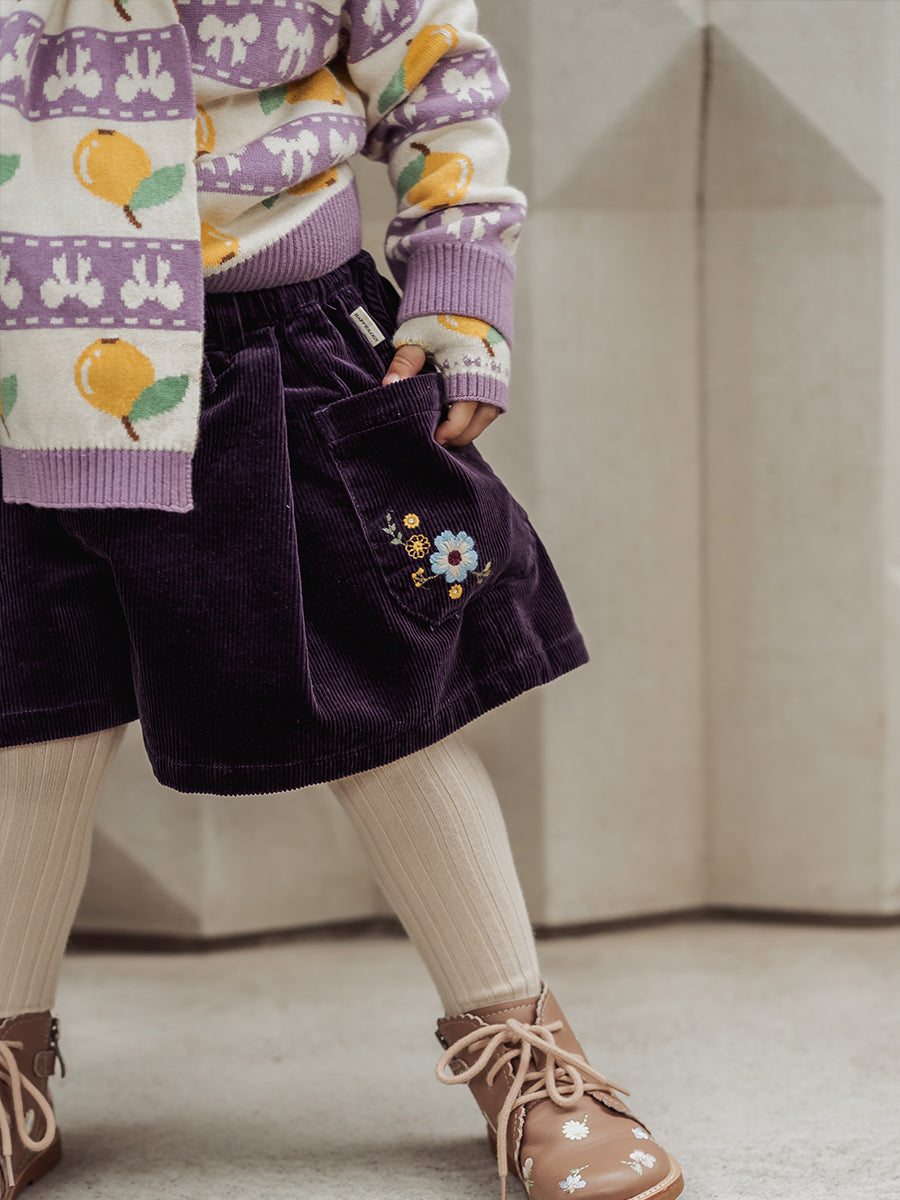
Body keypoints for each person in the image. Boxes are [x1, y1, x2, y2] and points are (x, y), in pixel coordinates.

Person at [0, 3, 683, 1198]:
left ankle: (522, 1047)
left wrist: (458, 290)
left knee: (387, 708)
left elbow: (437, 75)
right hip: (26, 360)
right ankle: (6, 1059)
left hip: (277, 349)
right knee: (29, 724)